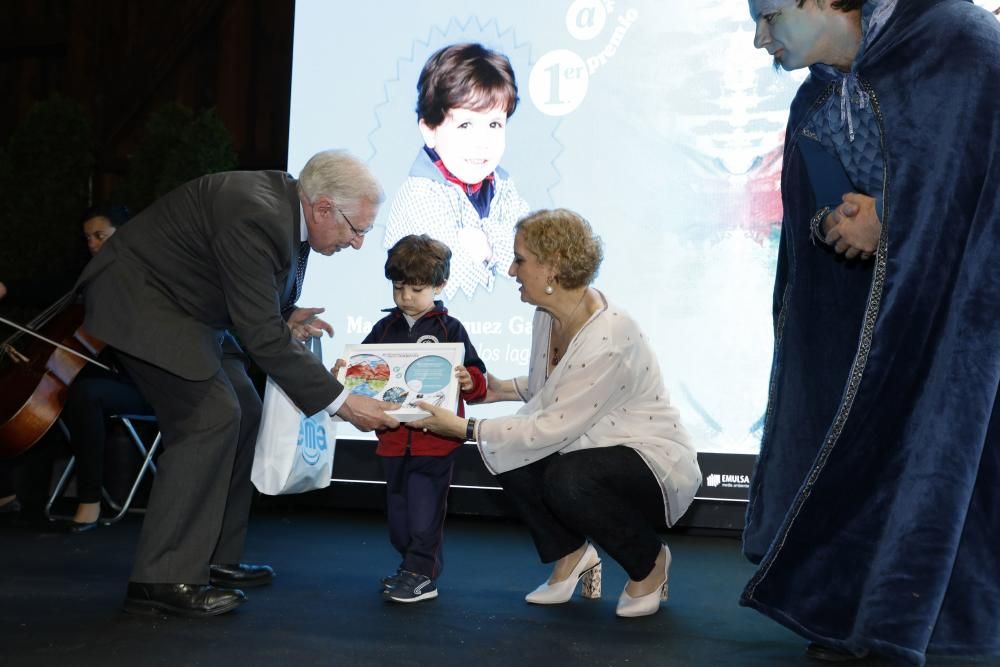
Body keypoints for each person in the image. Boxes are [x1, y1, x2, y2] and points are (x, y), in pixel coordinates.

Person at [742, 1, 1000, 663]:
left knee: (944, 461)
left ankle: (900, 625)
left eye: (769, 17)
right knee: (870, 450)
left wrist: (892, 216)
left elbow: (974, 185)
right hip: (878, 325)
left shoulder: (953, 41)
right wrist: (844, 220)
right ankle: (861, 615)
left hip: (963, 324)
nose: (759, 39)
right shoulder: (819, 99)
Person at [76, 150, 401, 618]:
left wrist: (283, 315)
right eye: (358, 229)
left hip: (189, 307)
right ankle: (161, 578)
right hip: (143, 303)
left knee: (244, 410)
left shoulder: (288, 208)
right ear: (324, 207)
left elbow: (249, 292)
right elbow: (262, 337)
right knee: (208, 420)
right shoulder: (258, 213)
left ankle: (213, 557)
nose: (358, 243)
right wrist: (343, 403)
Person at [411, 209, 702, 618]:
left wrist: (463, 427)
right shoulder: (547, 314)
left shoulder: (610, 335)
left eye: (520, 259)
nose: (511, 270)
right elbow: (554, 387)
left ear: (553, 265)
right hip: (586, 443)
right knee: (510, 449)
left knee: (562, 474)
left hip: (648, 457)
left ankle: (651, 564)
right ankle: (570, 555)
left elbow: (551, 425)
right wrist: (495, 389)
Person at [344, 234, 487, 603]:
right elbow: (365, 372)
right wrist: (346, 374)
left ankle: (422, 575)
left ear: (439, 285)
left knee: (424, 514)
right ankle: (408, 566)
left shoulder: (449, 329)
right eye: (398, 287)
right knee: (399, 518)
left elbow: (476, 380)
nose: (406, 296)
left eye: (417, 289)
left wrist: (470, 380)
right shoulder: (384, 328)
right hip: (392, 441)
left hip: (436, 441)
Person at [0, 205, 152, 532]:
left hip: (145, 383)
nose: (93, 244)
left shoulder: (144, 277)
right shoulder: (90, 276)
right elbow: (50, 289)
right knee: (47, 398)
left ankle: (90, 499)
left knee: (84, 393)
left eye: (100, 236)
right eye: (88, 239)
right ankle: (23, 497)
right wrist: (7, 288)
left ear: (122, 234)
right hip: (108, 377)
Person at [382, 42, 529, 300]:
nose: (482, 142)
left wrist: (486, 245)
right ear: (429, 130)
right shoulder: (418, 195)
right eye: (465, 125)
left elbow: (535, 262)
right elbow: (457, 286)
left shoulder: (502, 185)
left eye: (494, 124)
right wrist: (502, 248)